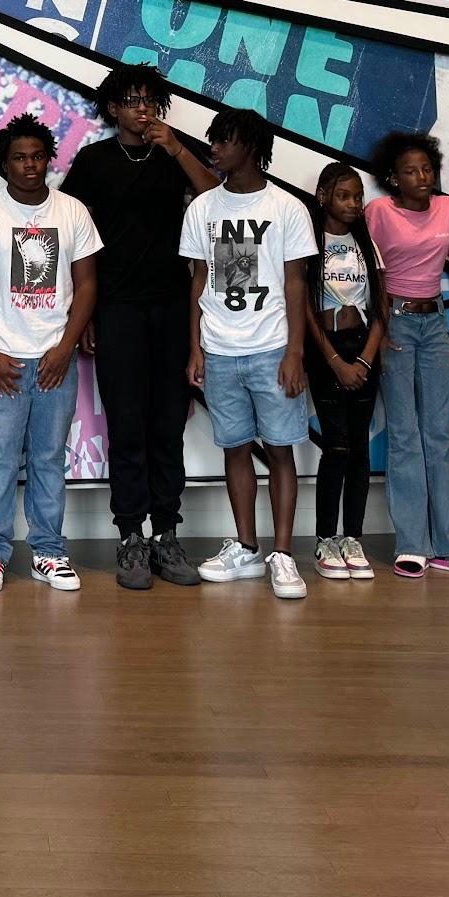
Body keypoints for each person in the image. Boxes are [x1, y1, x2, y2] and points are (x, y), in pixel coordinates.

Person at [60, 60, 217, 591]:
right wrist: (84, 313)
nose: (142, 109)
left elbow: (213, 198)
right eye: (132, 101)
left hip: (172, 306)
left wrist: (177, 149)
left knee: (167, 424)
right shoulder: (94, 160)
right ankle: (130, 536)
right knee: (126, 425)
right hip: (117, 308)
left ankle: (166, 534)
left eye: (149, 100)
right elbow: (71, 235)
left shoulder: (174, 154)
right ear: (112, 108)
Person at [180, 109, 317, 601]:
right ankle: (246, 548)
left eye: (224, 141)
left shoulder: (287, 207)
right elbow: (199, 280)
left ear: (252, 148)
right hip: (220, 349)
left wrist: (295, 352)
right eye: (213, 140)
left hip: (271, 348)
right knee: (234, 448)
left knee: (280, 450)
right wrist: (195, 347)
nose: (214, 149)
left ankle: (283, 554)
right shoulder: (202, 208)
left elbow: (297, 284)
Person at [0, 115, 104, 596]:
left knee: (48, 458)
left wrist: (65, 348)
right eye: (19, 158)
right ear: (4, 163)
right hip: (2, 358)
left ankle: (48, 552)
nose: (29, 165)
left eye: (38, 156)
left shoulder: (72, 211)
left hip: (54, 359)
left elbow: (87, 284)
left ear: (49, 160)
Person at [365, 131, 449, 581]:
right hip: (395, 324)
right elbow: (370, 273)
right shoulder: (378, 212)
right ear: (392, 178)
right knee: (404, 435)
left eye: (427, 169)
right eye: (410, 171)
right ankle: (412, 544)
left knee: (438, 433)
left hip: (436, 324)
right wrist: (379, 331)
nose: (421, 177)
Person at [303, 162, 384, 583]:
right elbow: (303, 308)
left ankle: (352, 537)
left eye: (358, 197)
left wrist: (365, 361)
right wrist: (335, 361)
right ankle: (325, 540)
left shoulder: (366, 244)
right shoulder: (310, 241)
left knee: (359, 449)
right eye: (344, 196)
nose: (353, 204)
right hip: (326, 352)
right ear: (323, 197)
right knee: (336, 446)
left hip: (363, 351)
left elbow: (382, 309)